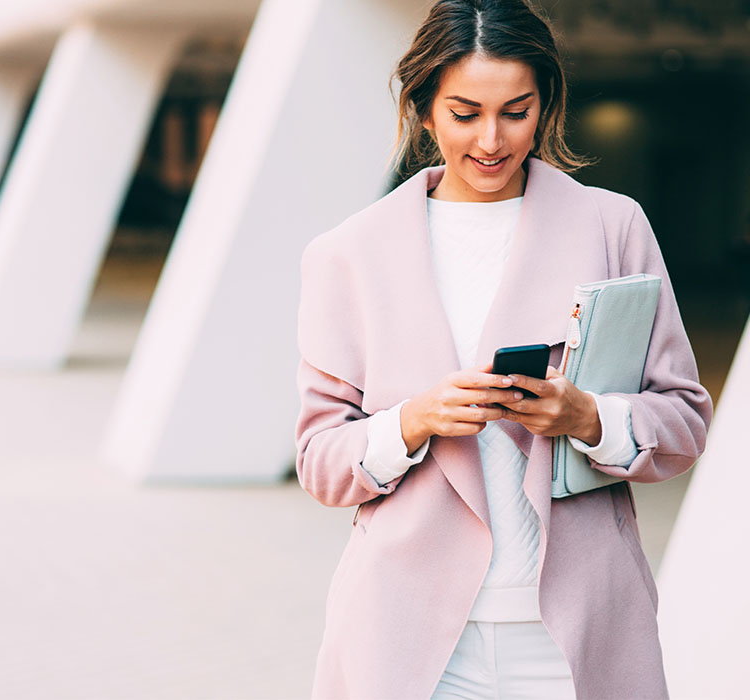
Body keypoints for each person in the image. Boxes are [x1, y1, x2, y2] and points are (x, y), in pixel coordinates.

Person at [293, 1, 713, 698]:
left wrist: (589, 419)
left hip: (575, 633)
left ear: (545, 105)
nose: (491, 139)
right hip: (411, 637)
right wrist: (414, 420)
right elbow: (320, 463)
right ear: (423, 109)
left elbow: (684, 420)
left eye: (515, 111)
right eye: (465, 113)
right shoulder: (350, 253)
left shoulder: (612, 225)